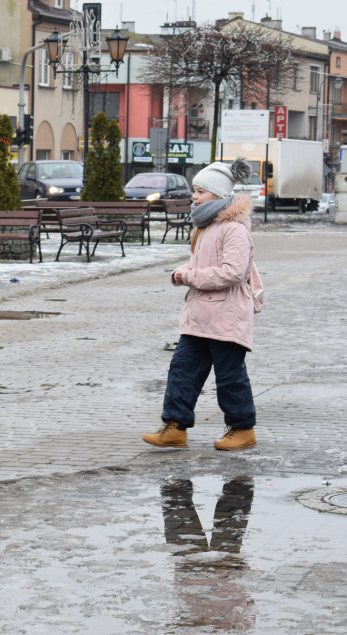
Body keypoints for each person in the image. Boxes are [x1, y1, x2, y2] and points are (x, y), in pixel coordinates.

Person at [143, 158, 258, 451]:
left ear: (218, 195)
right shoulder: (206, 226)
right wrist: (182, 272)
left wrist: (190, 276)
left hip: (226, 315)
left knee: (230, 376)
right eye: (195, 191)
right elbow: (202, 264)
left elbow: (233, 272)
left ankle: (243, 429)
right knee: (182, 370)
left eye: (200, 191)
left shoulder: (234, 229)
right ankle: (175, 428)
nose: (194, 196)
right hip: (200, 315)